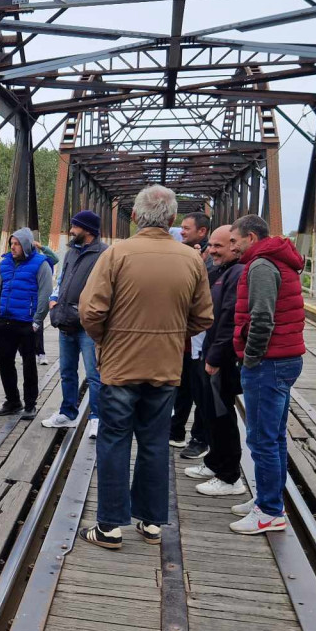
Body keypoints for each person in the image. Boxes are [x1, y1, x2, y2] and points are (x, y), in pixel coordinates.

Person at [78, 186, 213, 549]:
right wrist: (170, 336)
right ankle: (152, 523)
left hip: (120, 365)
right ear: (171, 219)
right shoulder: (191, 259)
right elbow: (203, 317)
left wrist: (106, 339)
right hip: (166, 367)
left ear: (135, 217)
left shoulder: (116, 254)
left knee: (114, 439)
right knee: (154, 442)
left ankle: (109, 526)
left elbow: (90, 311)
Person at [228, 214, 305, 535]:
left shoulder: (260, 266)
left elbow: (261, 317)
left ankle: (270, 511)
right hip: (286, 358)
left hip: (268, 362)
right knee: (273, 436)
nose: (232, 247)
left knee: (261, 439)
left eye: (235, 240)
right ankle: (267, 498)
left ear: (251, 238)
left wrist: (251, 357)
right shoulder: (278, 259)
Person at [183, 225, 248, 497]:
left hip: (217, 357)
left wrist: (217, 356)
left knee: (222, 416)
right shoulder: (219, 272)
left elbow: (231, 319)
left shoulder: (237, 273)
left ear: (234, 246)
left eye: (219, 246)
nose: (212, 250)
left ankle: (230, 476)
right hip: (203, 352)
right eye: (210, 246)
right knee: (209, 412)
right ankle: (214, 462)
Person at [42, 210, 107, 436]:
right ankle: (68, 413)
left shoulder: (104, 254)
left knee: (93, 374)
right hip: (65, 321)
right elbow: (61, 279)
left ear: (88, 230)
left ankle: (97, 418)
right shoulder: (70, 252)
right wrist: (53, 299)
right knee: (67, 371)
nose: (71, 230)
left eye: (75, 226)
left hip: (88, 326)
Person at [0, 228, 53, 420]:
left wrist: (37, 321)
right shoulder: (5, 263)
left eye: (16, 244)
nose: (13, 247)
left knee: (28, 364)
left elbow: (45, 294)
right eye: (11, 244)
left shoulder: (40, 264)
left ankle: (30, 404)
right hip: (4, 321)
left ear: (26, 244)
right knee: (5, 363)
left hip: (26, 323)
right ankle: (12, 401)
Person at [171, 211, 214, 459]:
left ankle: (199, 439)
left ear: (202, 231)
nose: (182, 231)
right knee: (183, 387)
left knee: (201, 393)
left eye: (187, 228)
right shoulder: (188, 254)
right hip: (184, 340)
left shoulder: (209, 259)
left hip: (201, 339)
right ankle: (176, 431)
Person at [34, 244, 60, 366]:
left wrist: (41, 246)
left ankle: (41, 353)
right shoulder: (21, 262)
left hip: (39, 298)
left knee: (37, 326)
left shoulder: (42, 261)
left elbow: (55, 258)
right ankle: (27, 354)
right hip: (25, 299)